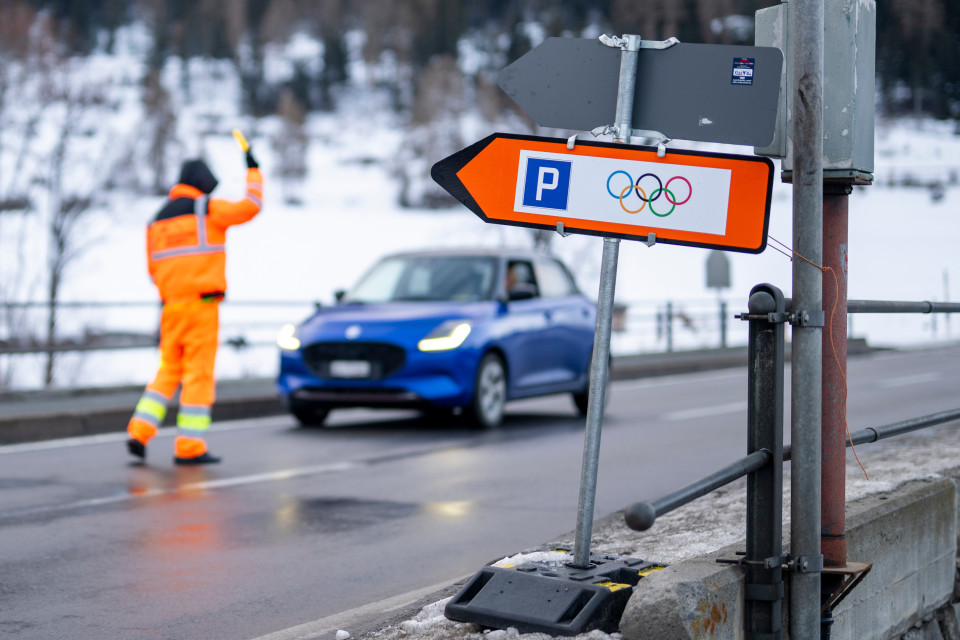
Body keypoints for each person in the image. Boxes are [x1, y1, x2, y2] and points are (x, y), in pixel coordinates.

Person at [126, 147, 263, 465]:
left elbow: (152, 270)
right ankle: (189, 447)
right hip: (202, 309)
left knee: (168, 370)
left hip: (171, 309)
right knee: (198, 375)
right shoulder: (207, 209)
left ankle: (139, 431)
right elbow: (251, 206)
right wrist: (253, 169)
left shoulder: (156, 221)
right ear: (203, 182)